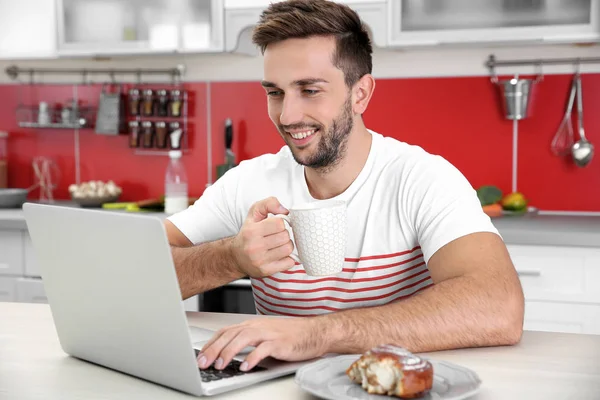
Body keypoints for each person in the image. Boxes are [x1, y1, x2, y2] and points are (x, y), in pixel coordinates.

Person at [164, 0, 524, 373]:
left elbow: (498, 305)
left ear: (361, 94)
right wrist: (230, 257)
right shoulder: (247, 182)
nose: (287, 116)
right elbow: (130, 271)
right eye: (275, 92)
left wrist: (316, 335)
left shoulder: (423, 178)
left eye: (310, 90)